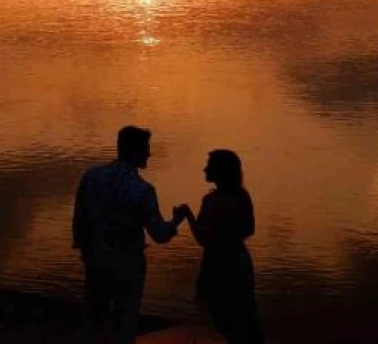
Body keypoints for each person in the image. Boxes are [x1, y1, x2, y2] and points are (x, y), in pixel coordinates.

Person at [73, 126, 186, 343]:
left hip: (96, 260)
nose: (149, 154)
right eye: (146, 149)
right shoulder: (142, 190)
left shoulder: (91, 177)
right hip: (128, 265)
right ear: (135, 151)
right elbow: (159, 234)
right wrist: (176, 221)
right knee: (124, 324)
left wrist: (86, 252)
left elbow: (79, 221)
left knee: (94, 319)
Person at [180, 150, 264, 344]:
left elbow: (202, 238)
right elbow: (249, 229)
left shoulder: (211, 201)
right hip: (239, 260)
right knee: (244, 317)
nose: (205, 169)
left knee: (223, 319)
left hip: (217, 264)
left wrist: (187, 214)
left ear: (220, 171)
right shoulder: (242, 196)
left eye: (209, 165)